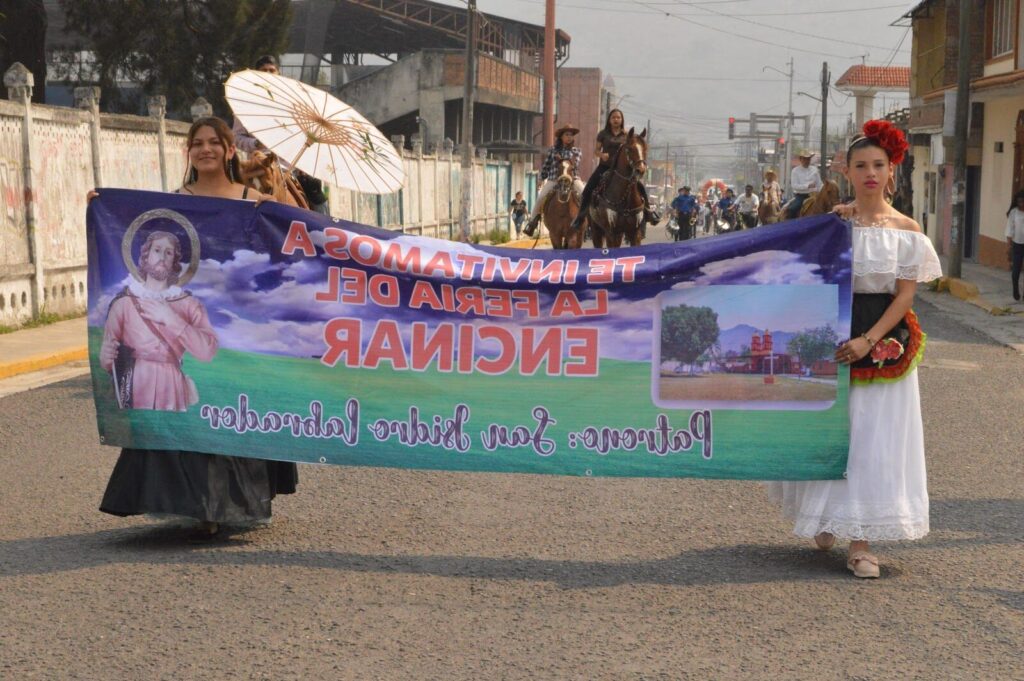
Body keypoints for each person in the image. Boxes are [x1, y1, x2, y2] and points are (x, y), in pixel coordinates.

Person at [94, 117, 299, 540]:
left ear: (229, 150)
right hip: (179, 328)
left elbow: (295, 232)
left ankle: (228, 504)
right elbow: (131, 221)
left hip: (235, 329)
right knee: (188, 415)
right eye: (197, 143)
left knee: (229, 411)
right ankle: (196, 505)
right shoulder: (173, 203)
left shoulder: (250, 198)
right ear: (188, 152)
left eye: (213, 143)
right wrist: (100, 201)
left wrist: (276, 194)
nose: (205, 149)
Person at [767, 119, 942, 579]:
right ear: (846, 172)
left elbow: (904, 296)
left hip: (882, 336)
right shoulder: (834, 225)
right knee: (828, 428)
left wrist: (868, 340)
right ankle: (826, 516)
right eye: (860, 165)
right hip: (831, 327)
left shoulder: (907, 229)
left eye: (878, 165)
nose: (870, 172)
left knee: (872, 436)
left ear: (891, 171)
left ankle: (860, 541)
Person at [100, 230, 217, 411]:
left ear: (174, 262)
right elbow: (109, 355)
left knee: (174, 437)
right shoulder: (123, 303)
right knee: (139, 435)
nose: (162, 256)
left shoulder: (189, 304)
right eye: (157, 250)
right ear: (146, 256)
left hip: (172, 386)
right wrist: (106, 357)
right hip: (135, 382)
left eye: (168, 252)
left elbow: (207, 351)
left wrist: (171, 319)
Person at [568, 109, 659, 233]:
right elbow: (596, 151)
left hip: (622, 170)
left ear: (622, 120)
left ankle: (649, 213)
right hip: (605, 167)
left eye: (618, 118)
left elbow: (632, 150)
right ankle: (581, 217)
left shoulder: (627, 135)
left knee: (640, 188)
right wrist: (601, 155)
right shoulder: (603, 134)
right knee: (588, 189)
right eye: (613, 117)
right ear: (609, 120)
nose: (616, 120)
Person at [524, 124, 585, 236]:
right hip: (554, 179)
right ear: (561, 136)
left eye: (571, 135)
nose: (569, 137)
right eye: (566, 134)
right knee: (541, 197)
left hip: (572, 179)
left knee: (585, 194)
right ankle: (532, 223)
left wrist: (561, 159)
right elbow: (546, 165)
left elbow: (574, 164)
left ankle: (588, 222)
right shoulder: (552, 150)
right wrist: (541, 178)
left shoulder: (577, 151)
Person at [232, 55, 280, 155]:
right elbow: (236, 138)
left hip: (289, 165)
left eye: (272, 70)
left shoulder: (291, 104)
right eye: (263, 70)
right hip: (260, 165)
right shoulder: (245, 105)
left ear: (278, 73)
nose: (267, 74)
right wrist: (256, 143)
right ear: (256, 75)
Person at [785, 150, 822, 218]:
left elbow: (819, 184)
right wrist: (807, 186)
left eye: (808, 159)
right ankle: (791, 226)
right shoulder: (795, 171)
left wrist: (822, 190)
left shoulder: (815, 169)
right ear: (800, 159)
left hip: (815, 195)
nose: (806, 160)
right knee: (792, 209)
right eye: (804, 159)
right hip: (801, 196)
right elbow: (794, 186)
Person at [1006, 190, 1024, 301]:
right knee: (1015, 271)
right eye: (1019, 202)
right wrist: (1008, 246)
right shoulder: (1014, 213)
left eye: (1023, 201)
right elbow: (1009, 230)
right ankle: (1015, 291)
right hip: (1017, 245)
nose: (1021, 204)